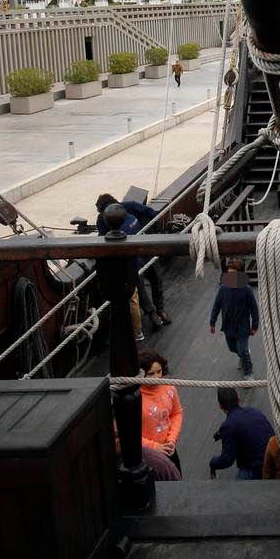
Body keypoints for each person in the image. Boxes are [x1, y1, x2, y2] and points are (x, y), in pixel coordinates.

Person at [96, 192, 170, 340]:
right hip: (130, 257)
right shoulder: (102, 220)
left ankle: (160, 309)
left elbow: (151, 213)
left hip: (143, 247)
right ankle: (152, 313)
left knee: (156, 277)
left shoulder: (129, 206)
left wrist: (152, 233)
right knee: (139, 284)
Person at [209, 387, 274, 480]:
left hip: (257, 467)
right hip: (273, 459)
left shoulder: (228, 426)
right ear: (238, 399)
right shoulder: (254, 411)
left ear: (220, 406)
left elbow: (227, 460)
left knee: (236, 492)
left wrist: (213, 463)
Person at [209, 259, 259, 376]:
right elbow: (217, 305)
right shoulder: (223, 289)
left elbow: (254, 309)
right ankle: (243, 355)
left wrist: (254, 326)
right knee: (232, 348)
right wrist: (212, 322)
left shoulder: (247, 290)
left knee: (243, 350)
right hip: (228, 326)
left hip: (243, 327)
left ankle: (248, 373)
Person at [138, 349, 183, 471]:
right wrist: (154, 447)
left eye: (159, 371)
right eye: (151, 374)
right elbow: (129, 433)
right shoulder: (135, 398)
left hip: (168, 449)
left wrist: (171, 440)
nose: (157, 377)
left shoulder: (169, 388)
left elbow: (176, 413)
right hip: (145, 455)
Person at [112, 419, 181, 481]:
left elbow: (176, 412)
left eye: (115, 436)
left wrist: (171, 440)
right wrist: (155, 446)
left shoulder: (160, 465)